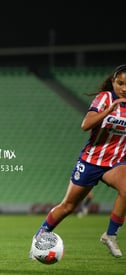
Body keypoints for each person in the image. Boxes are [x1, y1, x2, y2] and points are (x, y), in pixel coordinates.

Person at [30, 64, 126, 259]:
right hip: (91, 161)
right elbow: (85, 125)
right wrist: (109, 109)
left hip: (116, 162)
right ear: (113, 82)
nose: (123, 88)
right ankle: (39, 237)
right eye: (120, 83)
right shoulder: (105, 98)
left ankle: (110, 234)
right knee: (68, 206)